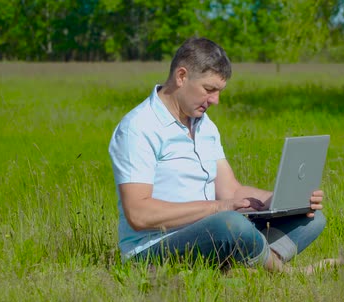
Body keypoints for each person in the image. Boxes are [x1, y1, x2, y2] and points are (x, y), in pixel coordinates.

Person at [109, 37, 330, 273]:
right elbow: (139, 214)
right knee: (231, 224)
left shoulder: (205, 126)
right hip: (153, 248)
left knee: (312, 219)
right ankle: (286, 273)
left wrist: (284, 201)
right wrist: (218, 208)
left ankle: (245, 265)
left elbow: (231, 191)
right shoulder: (138, 127)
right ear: (181, 77)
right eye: (209, 89)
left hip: (209, 232)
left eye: (219, 91)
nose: (215, 100)